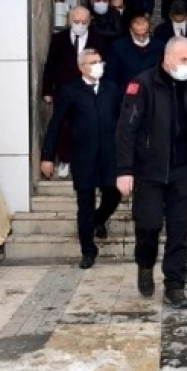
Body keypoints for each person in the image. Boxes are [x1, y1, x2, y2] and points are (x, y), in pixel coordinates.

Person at [115, 37, 187, 309]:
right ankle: (144, 263)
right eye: (184, 60)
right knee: (149, 225)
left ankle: (174, 286)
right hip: (149, 171)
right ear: (167, 59)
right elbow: (126, 129)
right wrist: (124, 170)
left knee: (179, 231)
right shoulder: (142, 85)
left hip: (181, 171)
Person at [40, 49, 123, 269]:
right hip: (84, 158)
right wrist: (47, 157)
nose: (98, 65)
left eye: (99, 61)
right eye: (92, 62)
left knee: (113, 194)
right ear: (81, 67)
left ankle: (99, 219)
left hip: (109, 156)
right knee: (84, 205)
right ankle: (88, 251)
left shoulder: (112, 89)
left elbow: (124, 122)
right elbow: (55, 125)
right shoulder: (69, 92)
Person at [41, 7, 110, 178]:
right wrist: (47, 89)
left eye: (84, 22)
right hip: (65, 89)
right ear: (69, 20)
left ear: (90, 21)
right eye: (77, 21)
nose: (80, 25)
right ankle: (65, 159)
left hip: (90, 88)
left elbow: (105, 64)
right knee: (64, 125)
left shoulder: (99, 39)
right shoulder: (59, 39)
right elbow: (50, 65)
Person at [108, 14, 165, 91]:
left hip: (152, 93)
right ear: (131, 31)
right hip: (126, 94)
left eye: (145, 34)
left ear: (149, 30)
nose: (141, 38)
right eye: (137, 35)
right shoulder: (118, 47)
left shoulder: (160, 46)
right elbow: (112, 75)